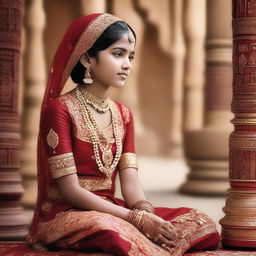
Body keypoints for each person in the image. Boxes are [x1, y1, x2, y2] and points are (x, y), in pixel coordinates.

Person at [27, 13, 220, 256]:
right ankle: (153, 246)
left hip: (113, 210)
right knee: (113, 230)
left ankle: (153, 245)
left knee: (202, 223)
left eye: (130, 56)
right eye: (117, 54)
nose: (127, 64)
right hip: (66, 212)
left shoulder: (123, 114)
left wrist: (146, 214)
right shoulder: (61, 109)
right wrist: (134, 219)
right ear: (87, 58)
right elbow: (70, 191)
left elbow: (130, 184)